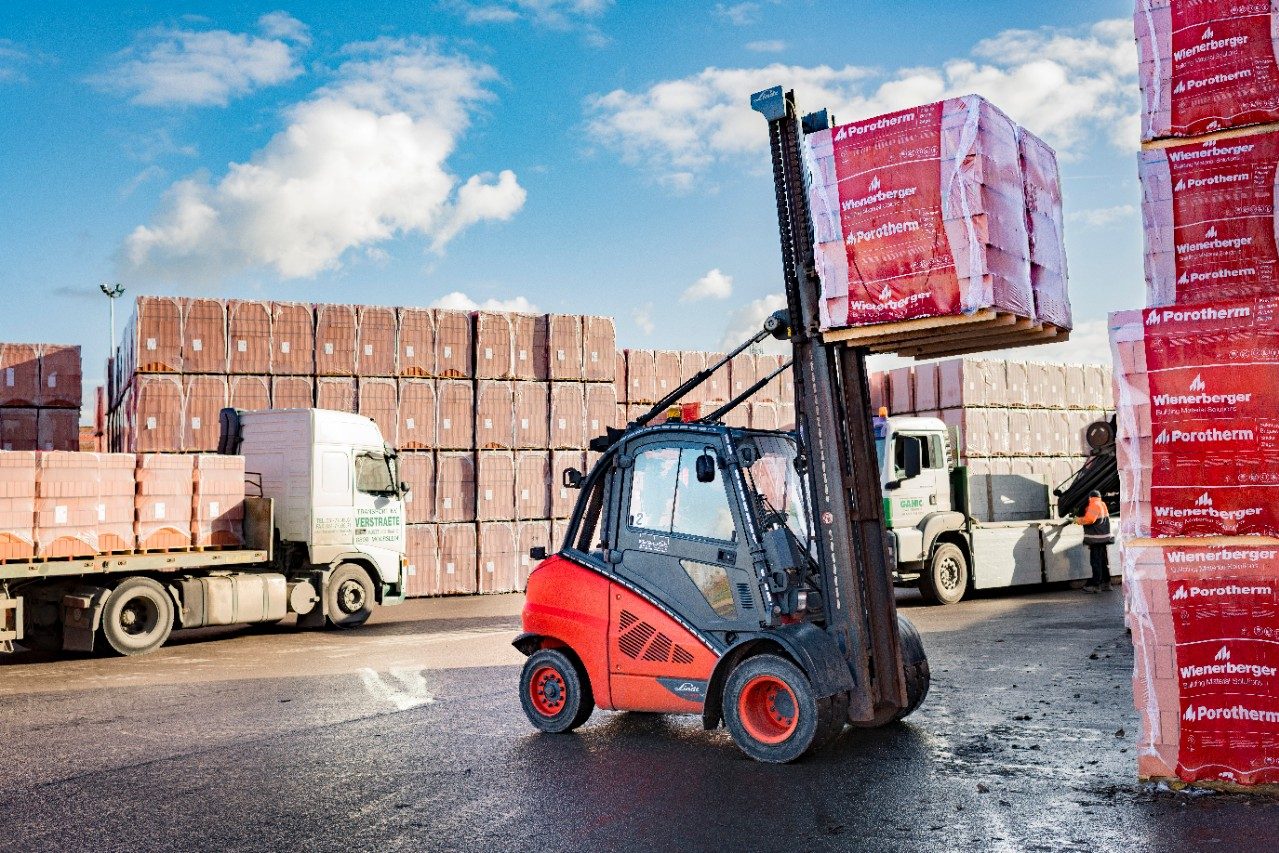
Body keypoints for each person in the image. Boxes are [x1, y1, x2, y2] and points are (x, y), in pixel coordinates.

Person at [1074, 490, 1114, 592]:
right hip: (1103, 538)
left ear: (1090, 498)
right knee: (1102, 561)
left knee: (1095, 562)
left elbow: (1089, 519)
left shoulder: (1094, 504)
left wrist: (1077, 520)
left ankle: (1096, 585)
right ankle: (1106, 583)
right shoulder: (1102, 503)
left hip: (1096, 539)